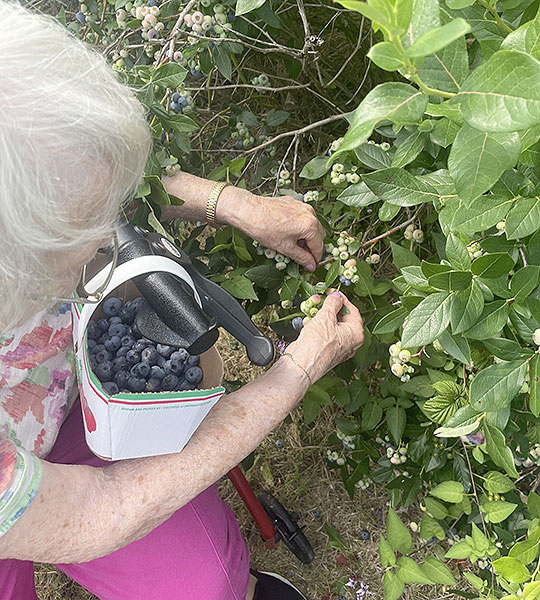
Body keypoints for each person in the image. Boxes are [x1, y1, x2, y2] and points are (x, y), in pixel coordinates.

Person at [0, 2, 364, 599]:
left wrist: (234, 204)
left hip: (67, 400)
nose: (107, 238)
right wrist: (296, 370)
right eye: (82, 234)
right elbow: (101, 510)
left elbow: (70, 178)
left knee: (205, 584)